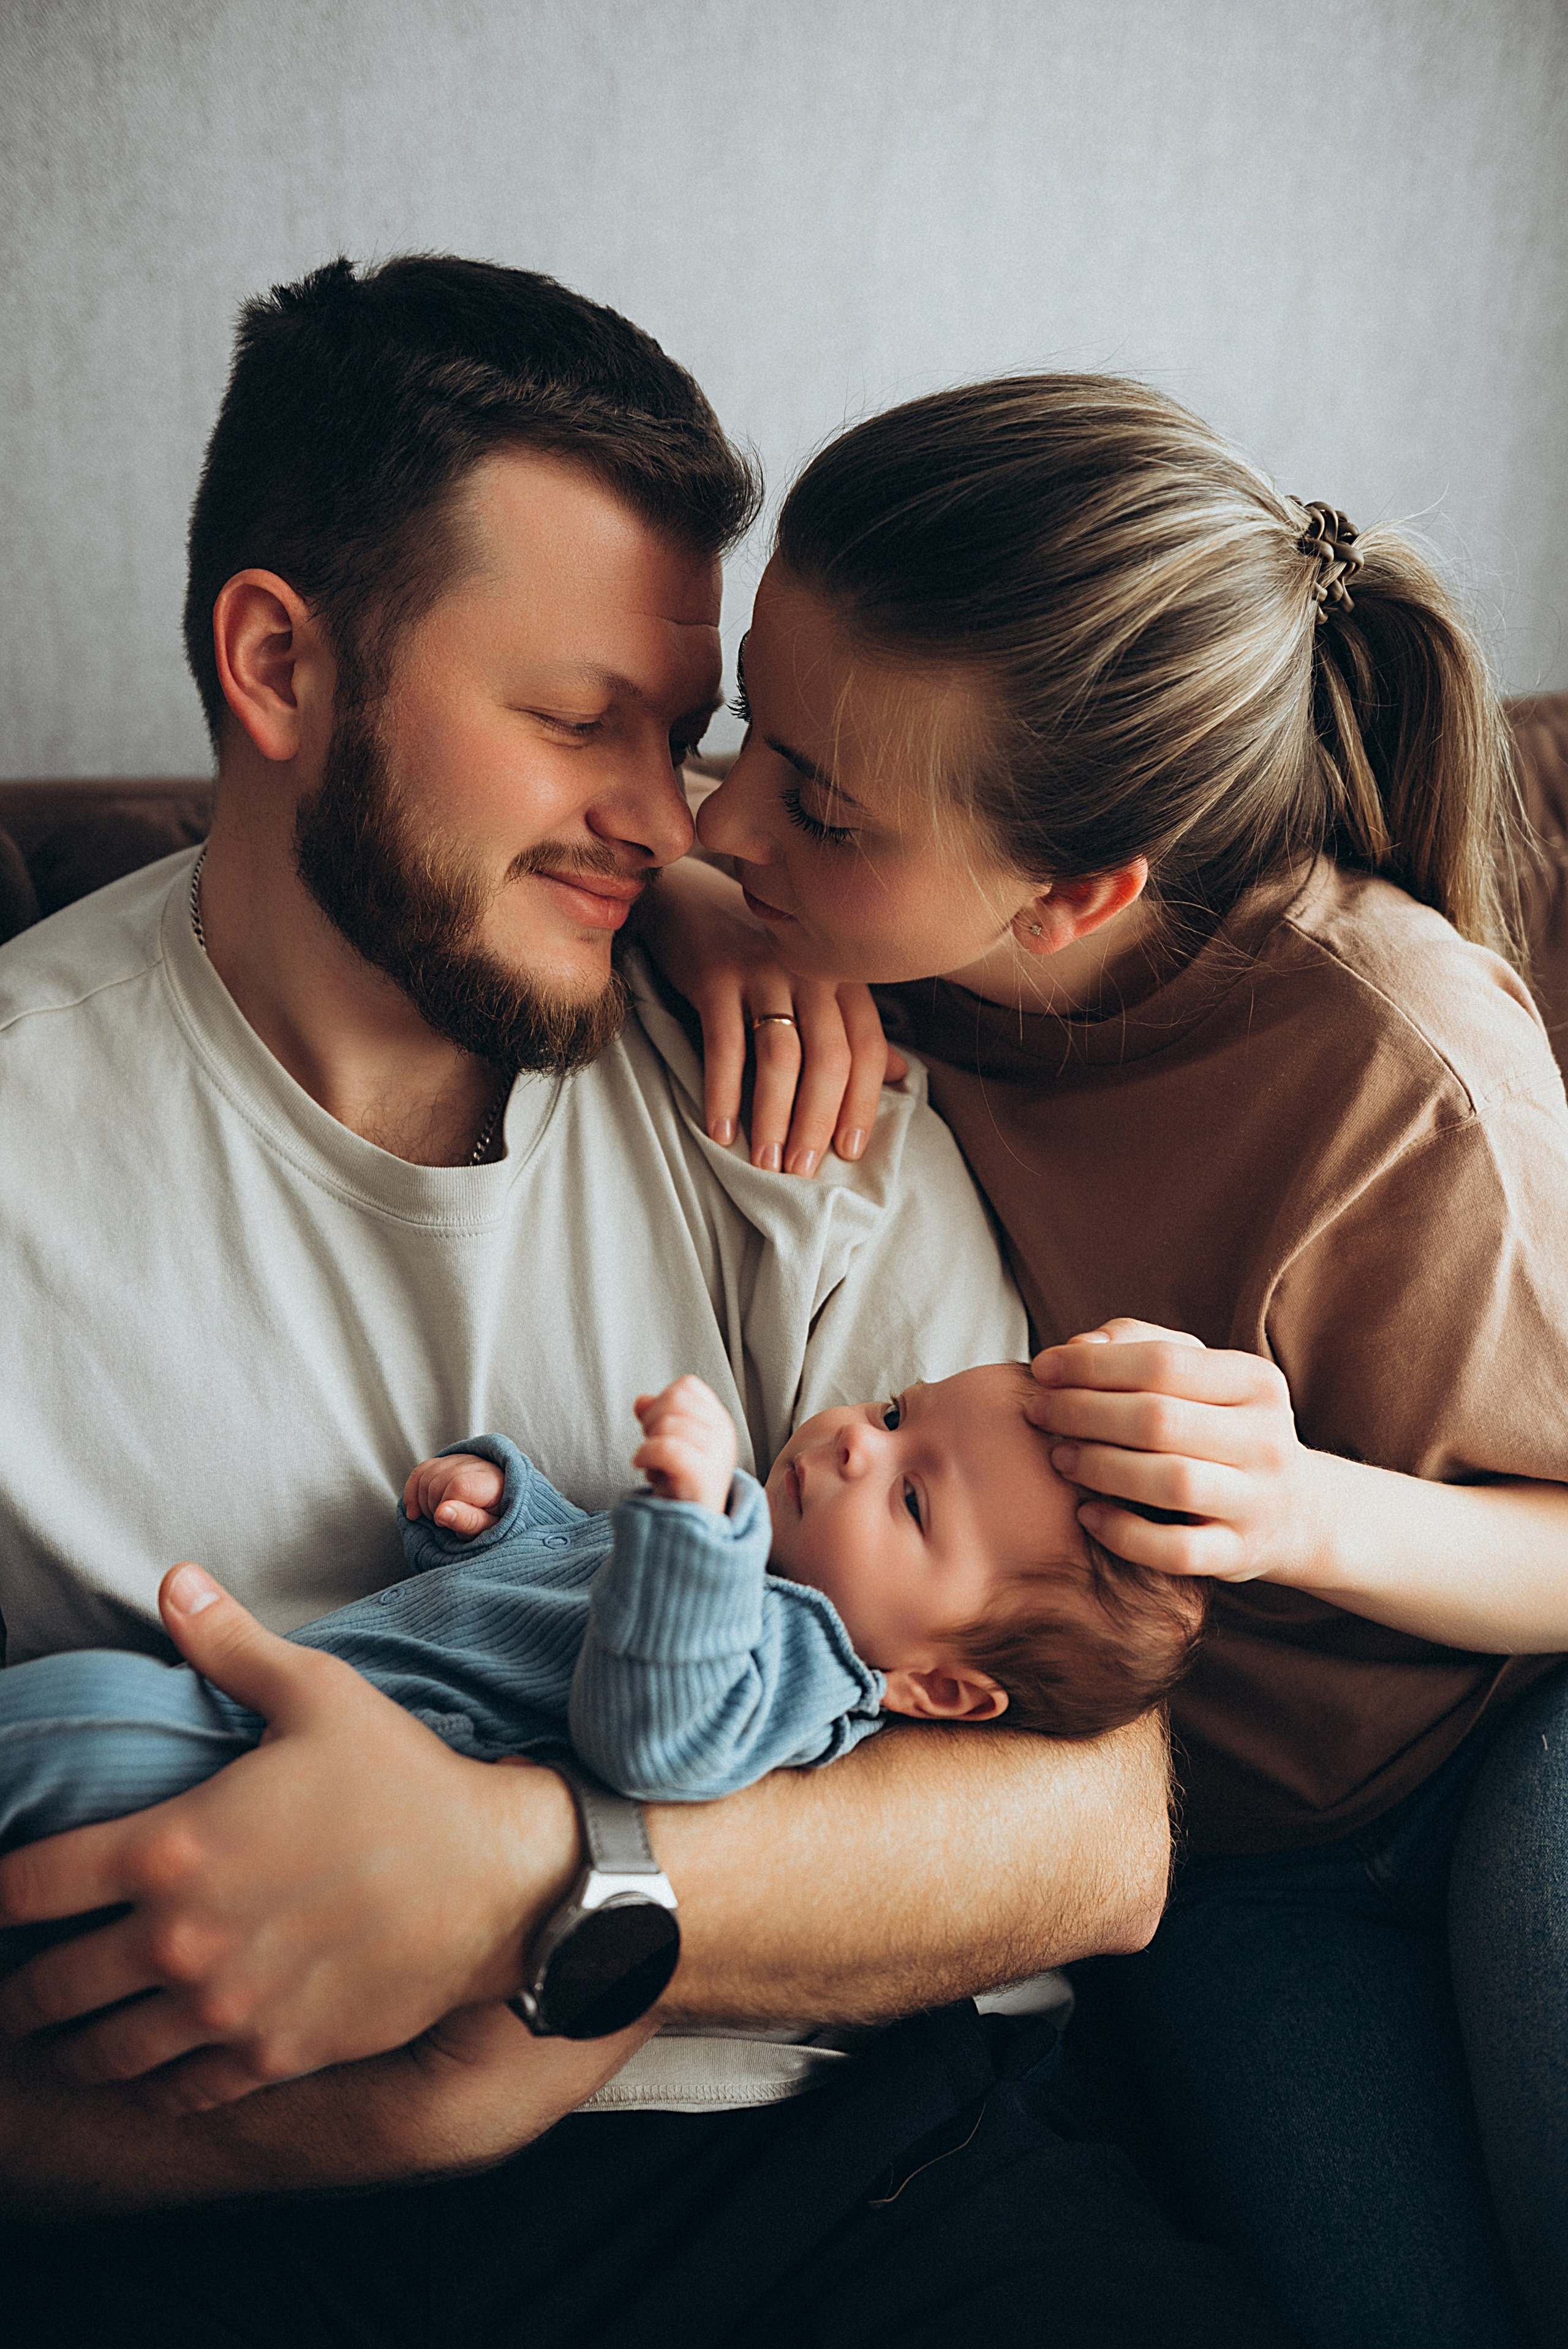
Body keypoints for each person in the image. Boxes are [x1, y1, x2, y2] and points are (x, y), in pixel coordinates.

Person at [0, 265, 1292, 2347]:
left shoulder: (783, 1075)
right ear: (277, 663)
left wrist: (547, 1880)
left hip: (832, 2168)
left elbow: (1095, 1816)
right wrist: (368, 2128)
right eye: (575, 718)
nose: (675, 817)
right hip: (236, 2214)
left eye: (679, 733)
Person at [645, 375, 1568, 2349]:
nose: (728, 810)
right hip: (1223, 1855)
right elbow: (668, 847)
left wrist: (1301, 1506)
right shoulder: (887, 938)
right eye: (742, 727)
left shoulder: (1412, 1081)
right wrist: (689, 902)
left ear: (1078, 896)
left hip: (1506, 1759)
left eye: (815, 805)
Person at [0, 1368, 1207, 1909]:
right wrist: (497, 1511)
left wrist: (698, 1524)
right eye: (894, 1412)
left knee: (81, 1723)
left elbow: (648, 1731)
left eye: (909, 1497)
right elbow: (566, 1591)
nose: (853, 1443)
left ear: (939, 1688)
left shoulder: (799, 1668)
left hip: (267, 1773)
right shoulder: (732, 1569)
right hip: (269, 1732)